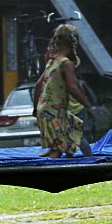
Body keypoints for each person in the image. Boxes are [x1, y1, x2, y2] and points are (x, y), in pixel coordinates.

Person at [34, 23, 90, 158]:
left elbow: (37, 85)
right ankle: (90, 161)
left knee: (61, 142)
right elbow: (73, 87)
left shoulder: (51, 62)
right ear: (72, 44)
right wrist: (88, 106)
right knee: (75, 134)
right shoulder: (66, 63)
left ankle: (61, 154)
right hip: (56, 112)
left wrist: (35, 107)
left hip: (44, 109)